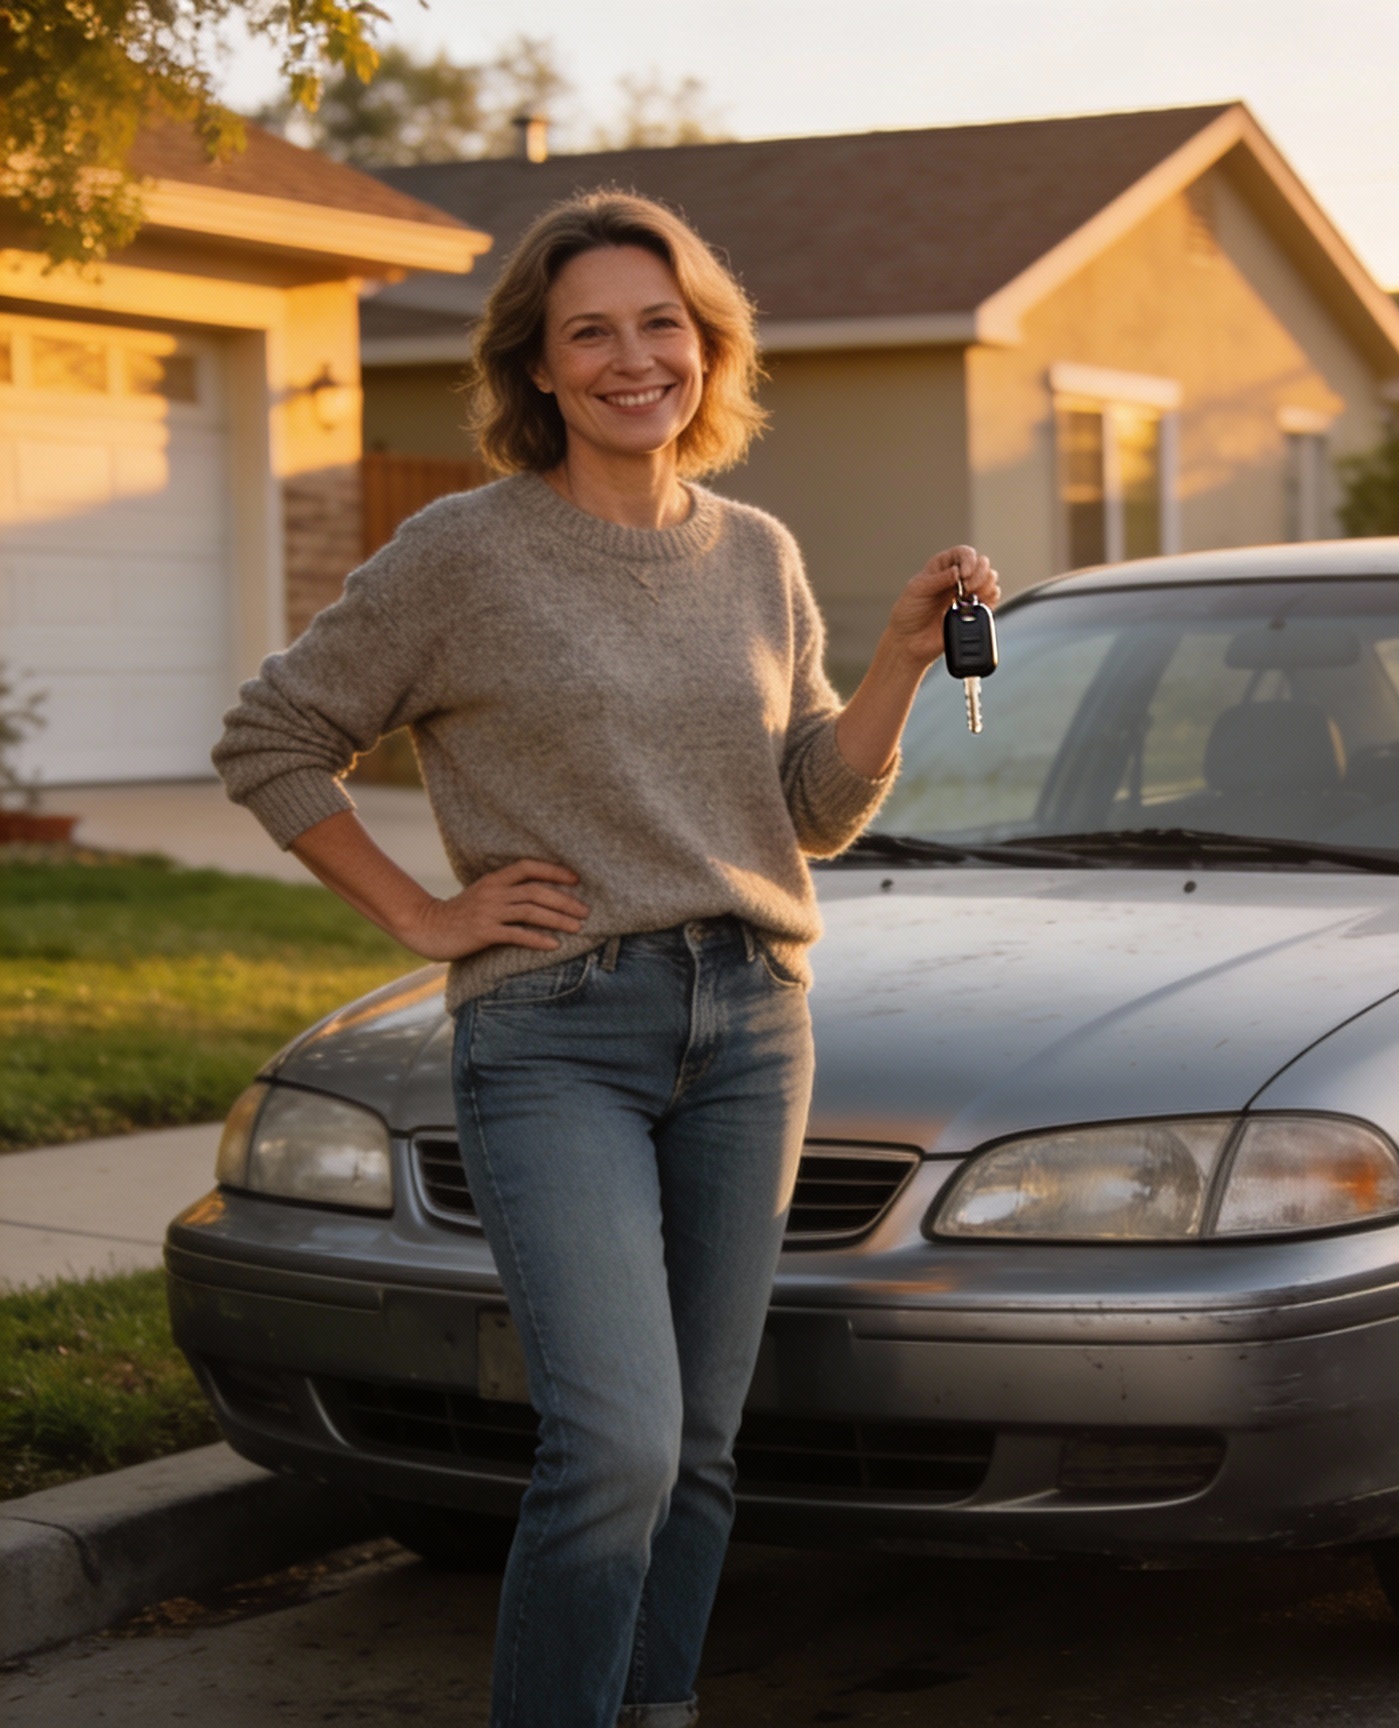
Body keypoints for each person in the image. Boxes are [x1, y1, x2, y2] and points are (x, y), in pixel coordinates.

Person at [211, 190, 998, 1728]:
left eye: (663, 325)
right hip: (557, 1030)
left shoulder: (757, 552)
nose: (635, 357)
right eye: (593, 333)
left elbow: (810, 812)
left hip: (756, 1021)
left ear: (707, 347)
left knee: (703, 1446)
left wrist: (899, 661)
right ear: (542, 369)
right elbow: (273, 739)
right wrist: (423, 916)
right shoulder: (464, 552)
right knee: (617, 1447)